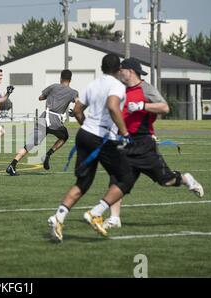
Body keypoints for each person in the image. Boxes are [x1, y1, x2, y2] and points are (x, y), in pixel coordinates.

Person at [102, 57, 204, 229]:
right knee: (117, 181)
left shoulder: (146, 88)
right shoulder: (119, 89)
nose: (119, 73)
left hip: (143, 144)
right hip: (124, 142)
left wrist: (142, 106)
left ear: (130, 71)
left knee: (166, 181)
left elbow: (165, 108)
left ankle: (186, 179)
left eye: (121, 70)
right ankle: (114, 218)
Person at [47, 54, 135, 242]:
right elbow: (113, 106)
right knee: (126, 178)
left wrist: (87, 127)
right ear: (118, 69)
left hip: (85, 134)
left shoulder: (92, 84)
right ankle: (96, 213)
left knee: (83, 183)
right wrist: (125, 133)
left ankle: (58, 217)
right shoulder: (117, 85)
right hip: (103, 138)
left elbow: (78, 110)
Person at [6, 69, 78, 176]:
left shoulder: (53, 86)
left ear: (60, 78)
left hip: (44, 118)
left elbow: (40, 98)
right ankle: (48, 154)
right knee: (64, 136)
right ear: (70, 80)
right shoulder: (73, 92)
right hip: (55, 121)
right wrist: (74, 113)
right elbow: (78, 103)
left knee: (30, 143)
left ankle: (12, 164)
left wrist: (49, 96)